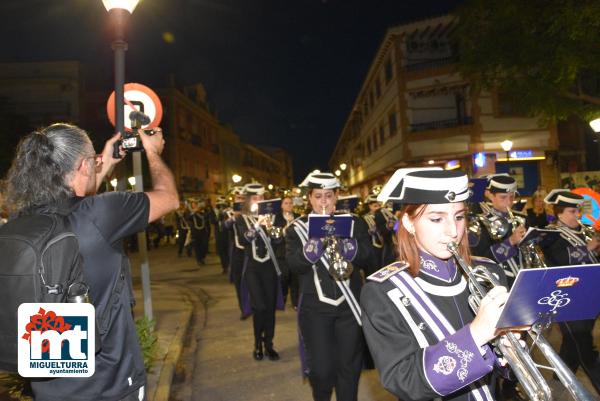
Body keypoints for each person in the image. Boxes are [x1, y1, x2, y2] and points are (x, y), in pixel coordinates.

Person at [2, 123, 178, 401]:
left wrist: (105, 161)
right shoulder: (102, 213)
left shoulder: (22, 220)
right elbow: (169, 199)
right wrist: (153, 153)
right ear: (85, 165)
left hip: (47, 387)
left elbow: (75, 202)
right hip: (109, 385)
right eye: (92, 161)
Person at [361, 168, 510, 401]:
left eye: (459, 217)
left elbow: (503, 372)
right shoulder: (383, 291)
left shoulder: (489, 272)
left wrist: (508, 351)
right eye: (437, 218)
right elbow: (403, 380)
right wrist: (477, 335)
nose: (453, 231)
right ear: (409, 223)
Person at [285, 172, 372, 401]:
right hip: (315, 309)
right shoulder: (297, 229)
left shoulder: (354, 223)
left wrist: (346, 245)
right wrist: (316, 243)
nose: (323, 201)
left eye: (328, 196)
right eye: (318, 196)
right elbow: (294, 265)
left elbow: (368, 256)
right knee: (322, 370)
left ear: (337, 197)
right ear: (309, 199)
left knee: (349, 369)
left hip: (349, 308)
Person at [541, 189, 600, 392]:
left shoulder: (584, 231)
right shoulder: (551, 235)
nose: (578, 215)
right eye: (572, 211)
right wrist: (588, 248)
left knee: (571, 350)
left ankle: (555, 391)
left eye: (578, 211)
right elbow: (559, 260)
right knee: (585, 350)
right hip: (568, 300)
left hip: (588, 297)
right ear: (559, 213)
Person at [235, 183, 283, 361]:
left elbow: (278, 242)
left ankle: (269, 344)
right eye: (256, 198)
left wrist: (271, 227)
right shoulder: (242, 219)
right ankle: (257, 344)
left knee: (269, 308)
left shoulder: (272, 217)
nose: (259, 201)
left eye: (262, 198)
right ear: (249, 200)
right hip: (253, 269)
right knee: (259, 307)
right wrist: (258, 225)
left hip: (269, 268)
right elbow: (244, 240)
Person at [470, 174, 526, 281]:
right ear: (490, 195)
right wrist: (510, 241)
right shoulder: (481, 222)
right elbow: (482, 259)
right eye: (503, 197)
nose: (509, 202)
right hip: (500, 279)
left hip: (524, 276)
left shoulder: (521, 219)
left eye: (512, 197)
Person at [225, 186, 248, 319]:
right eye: (238, 197)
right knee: (239, 282)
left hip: (251, 251)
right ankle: (244, 309)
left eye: (242, 198)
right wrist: (234, 217)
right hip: (237, 252)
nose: (240, 200)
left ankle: (254, 306)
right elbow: (224, 226)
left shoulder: (251, 212)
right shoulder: (229, 212)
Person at [273, 195, 299, 308]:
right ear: (281, 206)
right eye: (286, 203)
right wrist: (285, 229)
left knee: (295, 278)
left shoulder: (297, 217)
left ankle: (295, 302)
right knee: (283, 277)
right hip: (281, 252)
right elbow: (275, 236)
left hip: (295, 251)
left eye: (290, 203)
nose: (289, 205)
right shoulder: (277, 218)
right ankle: (282, 297)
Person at [362, 193, 384, 276]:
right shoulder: (364, 218)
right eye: (375, 206)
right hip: (372, 247)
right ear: (370, 206)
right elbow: (363, 234)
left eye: (379, 205)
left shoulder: (383, 215)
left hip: (385, 246)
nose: (378, 208)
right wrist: (370, 232)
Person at [214, 196, 231, 274]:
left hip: (228, 234)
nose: (221, 207)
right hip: (219, 235)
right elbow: (212, 221)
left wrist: (226, 214)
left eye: (223, 205)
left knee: (229, 251)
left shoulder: (229, 211)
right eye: (220, 206)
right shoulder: (214, 212)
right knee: (221, 252)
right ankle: (225, 267)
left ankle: (230, 265)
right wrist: (218, 216)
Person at [190, 200, 209, 265]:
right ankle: (199, 259)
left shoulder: (203, 212)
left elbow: (206, 217)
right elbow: (188, 218)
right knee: (197, 246)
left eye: (195, 205)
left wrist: (200, 211)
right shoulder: (192, 213)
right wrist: (193, 212)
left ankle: (202, 257)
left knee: (204, 246)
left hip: (203, 232)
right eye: (193, 205)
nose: (194, 206)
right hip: (195, 232)